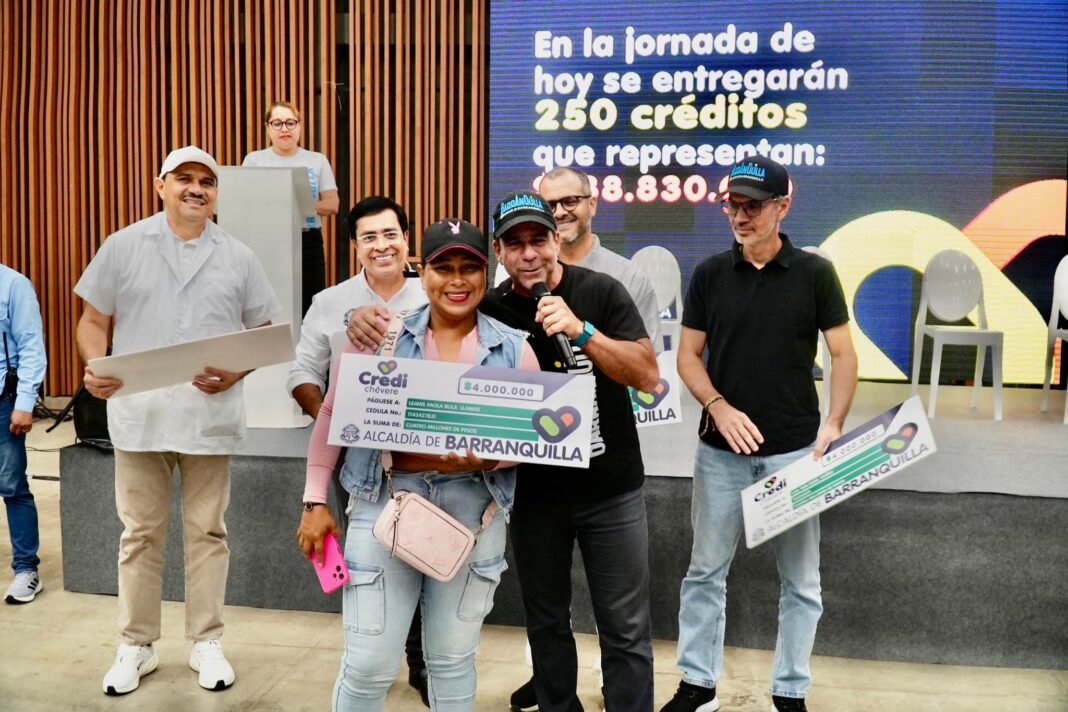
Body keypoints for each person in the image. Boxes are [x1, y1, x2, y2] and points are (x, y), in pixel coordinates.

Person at [297, 219, 539, 711]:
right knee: (367, 664)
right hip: (383, 501)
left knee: (452, 661)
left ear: (485, 272)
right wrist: (314, 499)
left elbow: (534, 437)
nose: (457, 280)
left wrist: (492, 455)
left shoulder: (514, 347)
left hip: (475, 510)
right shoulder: (378, 337)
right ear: (422, 272)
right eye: (444, 268)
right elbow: (333, 414)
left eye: (469, 268)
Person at [75, 146, 280, 697]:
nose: (196, 188)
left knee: (208, 531)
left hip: (207, 415)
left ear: (216, 194)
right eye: (184, 178)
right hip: (139, 413)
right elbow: (92, 320)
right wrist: (95, 364)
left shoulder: (238, 255)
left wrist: (237, 372)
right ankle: (136, 644)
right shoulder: (123, 245)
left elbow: (263, 331)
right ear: (160, 185)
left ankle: (206, 640)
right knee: (140, 533)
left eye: (206, 182)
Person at [661, 156, 857, 712]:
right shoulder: (710, 274)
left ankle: (790, 690)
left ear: (783, 206)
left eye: (752, 206)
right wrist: (717, 406)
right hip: (719, 453)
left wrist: (834, 424)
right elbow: (688, 355)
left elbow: (842, 354)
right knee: (704, 573)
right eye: (732, 205)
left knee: (801, 583)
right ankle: (698, 684)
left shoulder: (815, 274)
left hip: (793, 452)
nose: (740, 216)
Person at [487, 192, 658, 712]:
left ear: (556, 240)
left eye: (538, 239)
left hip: (612, 491)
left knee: (625, 624)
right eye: (515, 244)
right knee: (545, 621)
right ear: (498, 251)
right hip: (534, 496)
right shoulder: (492, 309)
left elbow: (646, 374)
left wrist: (582, 331)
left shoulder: (600, 291)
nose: (529, 253)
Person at [287, 195, 430, 704]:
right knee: (375, 566)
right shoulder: (330, 301)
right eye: (369, 237)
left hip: (429, 462)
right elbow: (303, 372)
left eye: (390, 234)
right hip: (360, 466)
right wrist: (336, 416)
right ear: (354, 246)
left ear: (406, 239)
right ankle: (373, 662)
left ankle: (421, 662)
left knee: (426, 562)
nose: (381, 245)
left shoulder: (434, 292)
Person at [495, 167, 662, 352]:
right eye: (550, 205)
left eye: (570, 201)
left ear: (592, 204)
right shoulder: (514, 271)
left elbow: (646, 361)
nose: (560, 212)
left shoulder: (627, 276)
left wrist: (582, 332)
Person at [243, 100, 339, 315]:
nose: (284, 129)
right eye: (277, 123)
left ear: (299, 126)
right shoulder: (254, 160)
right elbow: (246, 202)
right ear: (267, 127)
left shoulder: (317, 160)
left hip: (307, 240)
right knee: (269, 303)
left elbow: (332, 204)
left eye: (290, 122)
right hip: (266, 240)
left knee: (311, 305)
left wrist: (297, 203)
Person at [1, 263, 46, 605]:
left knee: (12, 485)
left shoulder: (14, 285)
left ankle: (27, 569)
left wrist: (25, 402)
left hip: (3, 400)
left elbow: (31, 345)